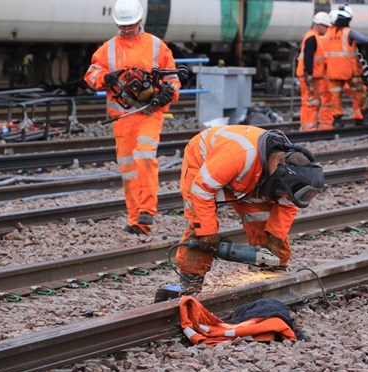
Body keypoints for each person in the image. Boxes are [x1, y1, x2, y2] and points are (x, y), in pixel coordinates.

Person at [174, 125, 324, 294]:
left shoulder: (286, 173)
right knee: (200, 225)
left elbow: (286, 206)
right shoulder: (239, 157)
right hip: (205, 162)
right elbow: (202, 190)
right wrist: (208, 231)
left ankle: (273, 276)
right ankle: (190, 283)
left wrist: (275, 239)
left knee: (264, 222)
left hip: (249, 175)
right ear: (278, 173)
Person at [84, 0, 180, 235]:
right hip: (122, 118)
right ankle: (137, 220)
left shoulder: (156, 46)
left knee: (144, 154)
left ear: (140, 21)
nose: (126, 29)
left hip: (150, 113)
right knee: (128, 169)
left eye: (130, 25)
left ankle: (147, 210)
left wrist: (169, 93)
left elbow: (173, 80)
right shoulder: (108, 48)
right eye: (122, 26)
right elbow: (91, 73)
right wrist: (105, 78)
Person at [323, 4, 368, 128]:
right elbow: (365, 40)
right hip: (348, 70)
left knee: (335, 96)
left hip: (333, 71)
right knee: (359, 93)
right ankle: (367, 117)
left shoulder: (329, 32)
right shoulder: (349, 32)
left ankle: (337, 120)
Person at [296, 12, 332, 131]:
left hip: (311, 76)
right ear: (319, 25)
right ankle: (308, 128)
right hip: (309, 77)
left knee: (311, 101)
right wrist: (309, 74)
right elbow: (308, 57)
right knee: (310, 102)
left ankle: (308, 126)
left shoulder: (313, 36)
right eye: (326, 27)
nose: (327, 29)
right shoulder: (312, 37)